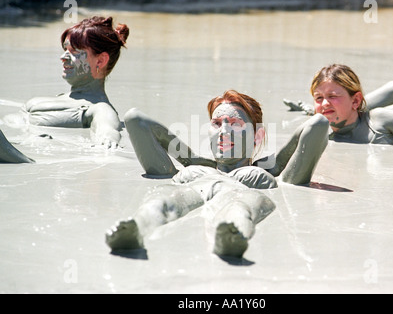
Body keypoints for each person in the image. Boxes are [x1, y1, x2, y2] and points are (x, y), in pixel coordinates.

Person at [105, 90, 329, 258]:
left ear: (257, 136)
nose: (224, 131)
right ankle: (136, 228)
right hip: (193, 189)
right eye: (216, 123)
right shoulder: (194, 170)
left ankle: (232, 237)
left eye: (235, 123)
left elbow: (317, 124)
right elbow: (136, 120)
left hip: (243, 194)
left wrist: (275, 165)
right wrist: (190, 160)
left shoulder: (267, 174)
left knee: (240, 208)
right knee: (162, 200)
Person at [23, 16, 129, 148]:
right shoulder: (60, 98)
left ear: (100, 61)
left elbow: (107, 128)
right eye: (65, 49)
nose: (63, 57)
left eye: (75, 51)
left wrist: (108, 139)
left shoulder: (99, 108)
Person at [304, 64, 393, 150]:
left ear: (356, 100)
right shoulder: (322, 136)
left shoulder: (381, 120)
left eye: (332, 96)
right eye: (319, 98)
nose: (324, 103)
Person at [284, 69, 393, 123]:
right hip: (363, 121)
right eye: (319, 97)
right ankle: (342, 110)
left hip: (361, 116)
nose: (325, 101)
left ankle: (345, 108)